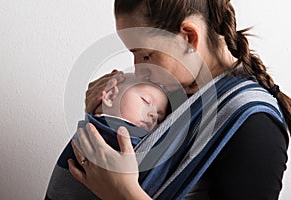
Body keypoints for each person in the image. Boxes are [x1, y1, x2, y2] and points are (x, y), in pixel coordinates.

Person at [67, 0, 291, 199]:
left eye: (146, 55)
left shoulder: (256, 127)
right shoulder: (170, 95)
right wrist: (101, 119)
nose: (139, 68)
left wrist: (122, 193)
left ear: (188, 37)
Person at [44, 72, 172, 200]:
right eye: (146, 101)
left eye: (159, 117)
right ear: (110, 96)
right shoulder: (110, 132)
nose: (153, 114)